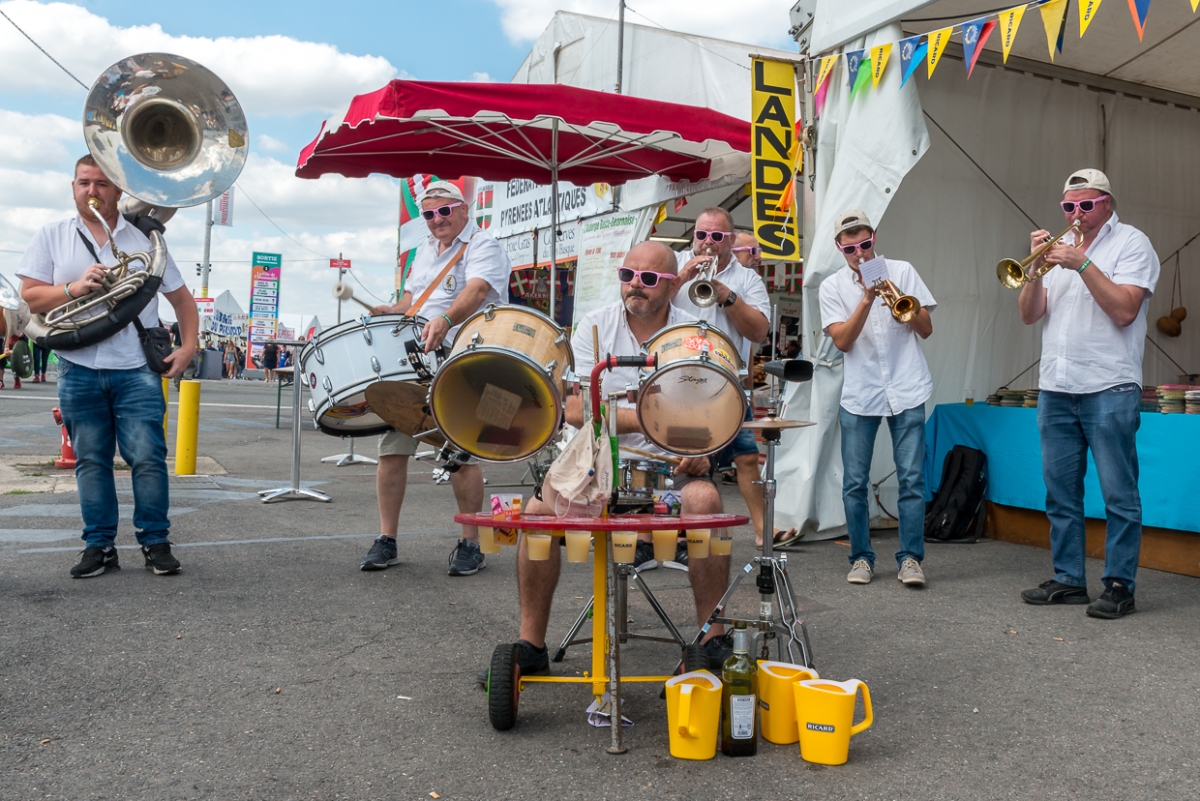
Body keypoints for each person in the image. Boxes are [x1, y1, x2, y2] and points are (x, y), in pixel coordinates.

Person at [486, 241, 734, 681]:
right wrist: (657, 419)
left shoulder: (694, 334)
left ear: (673, 284)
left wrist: (702, 452)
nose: (635, 285)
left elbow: (717, 411)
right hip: (593, 469)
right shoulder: (595, 326)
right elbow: (577, 408)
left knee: (705, 499)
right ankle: (531, 643)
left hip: (668, 475)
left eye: (649, 278)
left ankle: (711, 638)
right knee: (538, 512)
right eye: (627, 275)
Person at [16, 154, 198, 578]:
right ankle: (99, 547)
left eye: (101, 184)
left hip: (135, 366)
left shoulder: (145, 241)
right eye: (83, 183)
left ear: (118, 190)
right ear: (73, 186)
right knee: (91, 460)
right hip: (77, 365)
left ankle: (156, 542)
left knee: (148, 458)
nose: (91, 191)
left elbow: (183, 300)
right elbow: (31, 297)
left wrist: (188, 347)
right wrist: (74, 288)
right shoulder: (52, 234)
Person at [1017, 169, 1159, 619]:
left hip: (1109, 384)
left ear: (1107, 204)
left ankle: (1119, 584)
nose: (1076, 213)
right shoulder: (1056, 253)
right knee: (1060, 492)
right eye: (1069, 206)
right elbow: (1029, 314)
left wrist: (1080, 262)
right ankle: (1068, 579)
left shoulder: (1132, 243)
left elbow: (1124, 310)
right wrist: (1035, 269)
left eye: (1086, 204)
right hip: (1057, 385)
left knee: (1118, 493)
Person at [361, 180, 511, 577]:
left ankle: (470, 543)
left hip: (464, 355)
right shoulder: (425, 251)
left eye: (445, 211)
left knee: (461, 451)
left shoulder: (483, 244)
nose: (437, 220)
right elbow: (414, 300)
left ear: (464, 210)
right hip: (416, 357)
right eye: (429, 214)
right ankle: (386, 538)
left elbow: (478, 291)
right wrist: (391, 311)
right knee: (392, 448)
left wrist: (445, 320)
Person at [819, 210, 935, 588]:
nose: (859, 253)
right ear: (839, 247)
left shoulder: (902, 271)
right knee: (854, 481)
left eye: (865, 244)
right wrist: (867, 299)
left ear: (875, 238)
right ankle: (861, 558)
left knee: (912, 479)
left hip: (907, 386)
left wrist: (903, 304)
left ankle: (911, 559)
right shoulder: (832, 286)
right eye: (850, 248)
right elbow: (842, 341)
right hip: (861, 392)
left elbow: (926, 329)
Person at [674, 213, 782, 548]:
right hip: (678, 380)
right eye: (702, 233)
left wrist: (728, 296)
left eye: (717, 236)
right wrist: (680, 279)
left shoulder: (747, 279)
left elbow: (760, 331)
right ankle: (678, 527)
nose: (708, 241)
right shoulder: (675, 263)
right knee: (681, 455)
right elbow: (646, 309)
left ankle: (764, 530)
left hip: (725, 382)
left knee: (747, 456)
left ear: (731, 241)